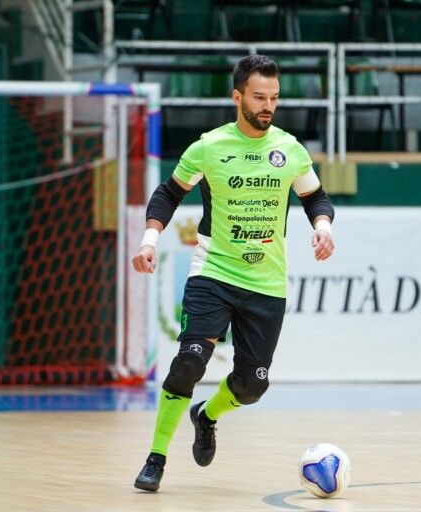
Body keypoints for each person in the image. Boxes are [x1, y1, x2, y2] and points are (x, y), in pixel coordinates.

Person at [131, 54, 335, 492]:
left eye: (274, 98)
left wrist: (323, 228)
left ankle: (206, 416)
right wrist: (149, 240)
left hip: (266, 283)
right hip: (214, 274)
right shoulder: (209, 146)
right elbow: (168, 194)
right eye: (259, 97)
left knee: (252, 386)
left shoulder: (289, 149)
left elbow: (315, 197)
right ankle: (156, 459)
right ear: (237, 97)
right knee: (189, 362)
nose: (268, 106)